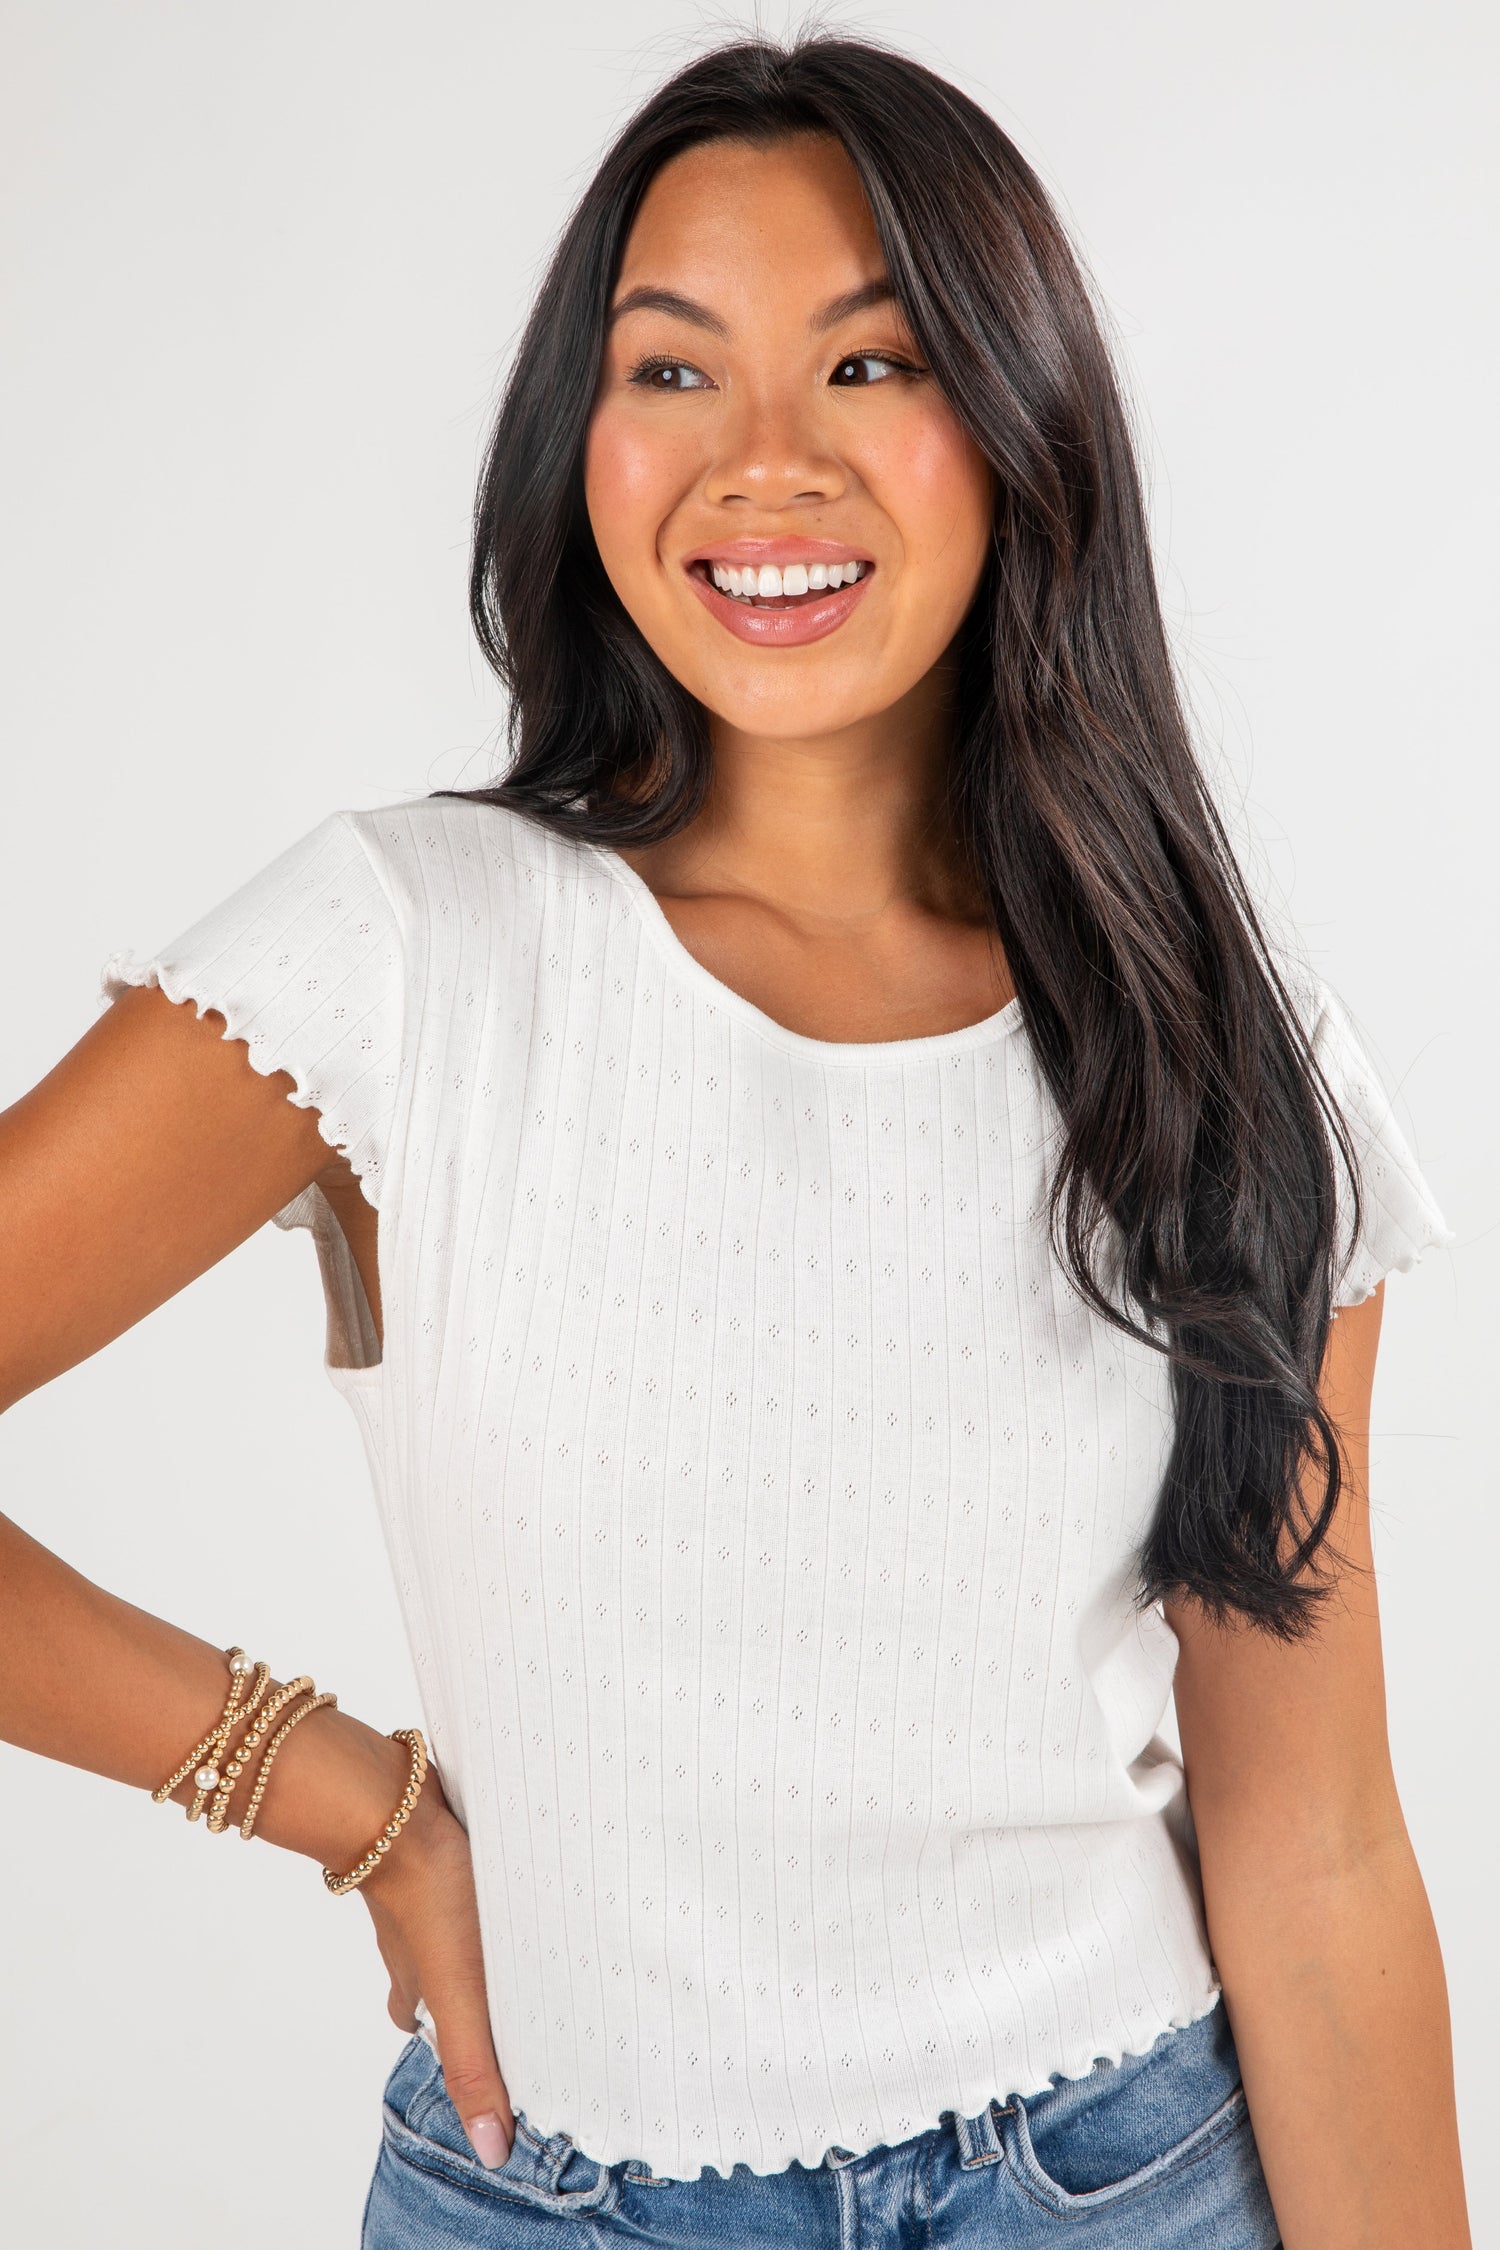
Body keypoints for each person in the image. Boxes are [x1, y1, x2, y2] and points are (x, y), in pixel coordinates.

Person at [0, 33, 1469, 2250]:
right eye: (671, 372)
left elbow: (1318, 1842)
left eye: (870, 365)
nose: (763, 467)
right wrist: (344, 1799)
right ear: (574, 445)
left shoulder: (1214, 1053)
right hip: (548, 2196)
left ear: (1019, 418)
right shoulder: (403, 952)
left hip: (1123, 2178)